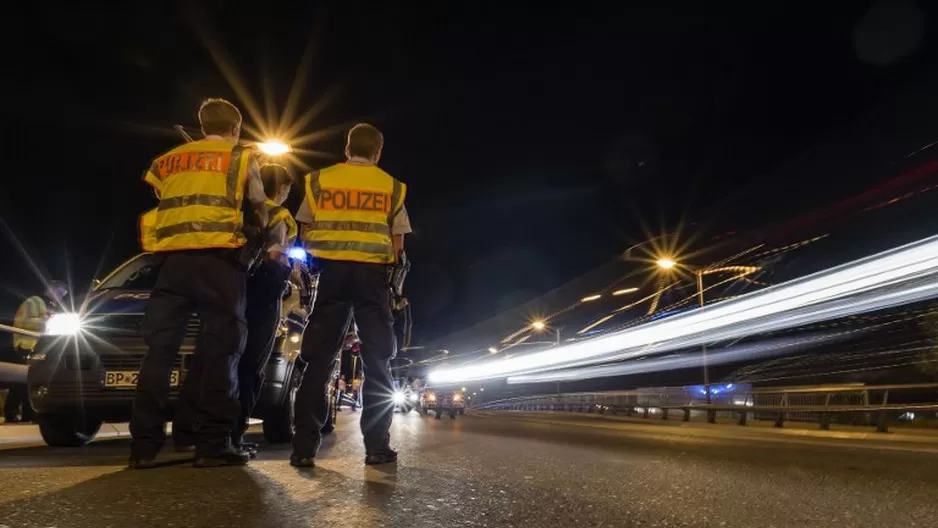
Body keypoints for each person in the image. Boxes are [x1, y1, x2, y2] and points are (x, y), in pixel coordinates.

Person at [129, 97, 269, 469]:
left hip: (172, 264)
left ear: (203, 124)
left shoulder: (169, 160)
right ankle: (213, 443)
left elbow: (167, 199)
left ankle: (143, 447)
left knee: (158, 353)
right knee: (223, 350)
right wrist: (261, 230)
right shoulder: (241, 156)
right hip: (219, 264)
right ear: (236, 127)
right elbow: (259, 205)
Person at [291, 123, 411, 467]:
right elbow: (398, 244)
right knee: (378, 361)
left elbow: (306, 230)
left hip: (330, 276)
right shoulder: (391, 186)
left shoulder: (319, 180)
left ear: (347, 149)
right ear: (377, 152)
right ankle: (376, 448)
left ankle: (303, 449)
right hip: (372, 279)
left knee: (318, 360)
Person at [173, 163, 297, 457]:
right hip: (261, 296)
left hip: (222, 290)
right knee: (250, 365)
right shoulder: (278, 216)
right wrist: (289, 273)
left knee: (210, 359)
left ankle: (187, 432)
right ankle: (232, 433)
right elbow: (276, 258)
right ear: (281, 188)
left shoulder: (232, 211)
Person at [6, 281, 68, 422]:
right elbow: (23, 321)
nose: (60, 297)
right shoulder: (34, 301)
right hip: (26, 346)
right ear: (51, 289)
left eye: (62, 295)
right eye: (59, 293)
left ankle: (29, 414)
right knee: (21, 382)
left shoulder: (51, 307)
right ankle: (11, 412)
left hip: (40, 347)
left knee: (32, 381)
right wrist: (46, 321)